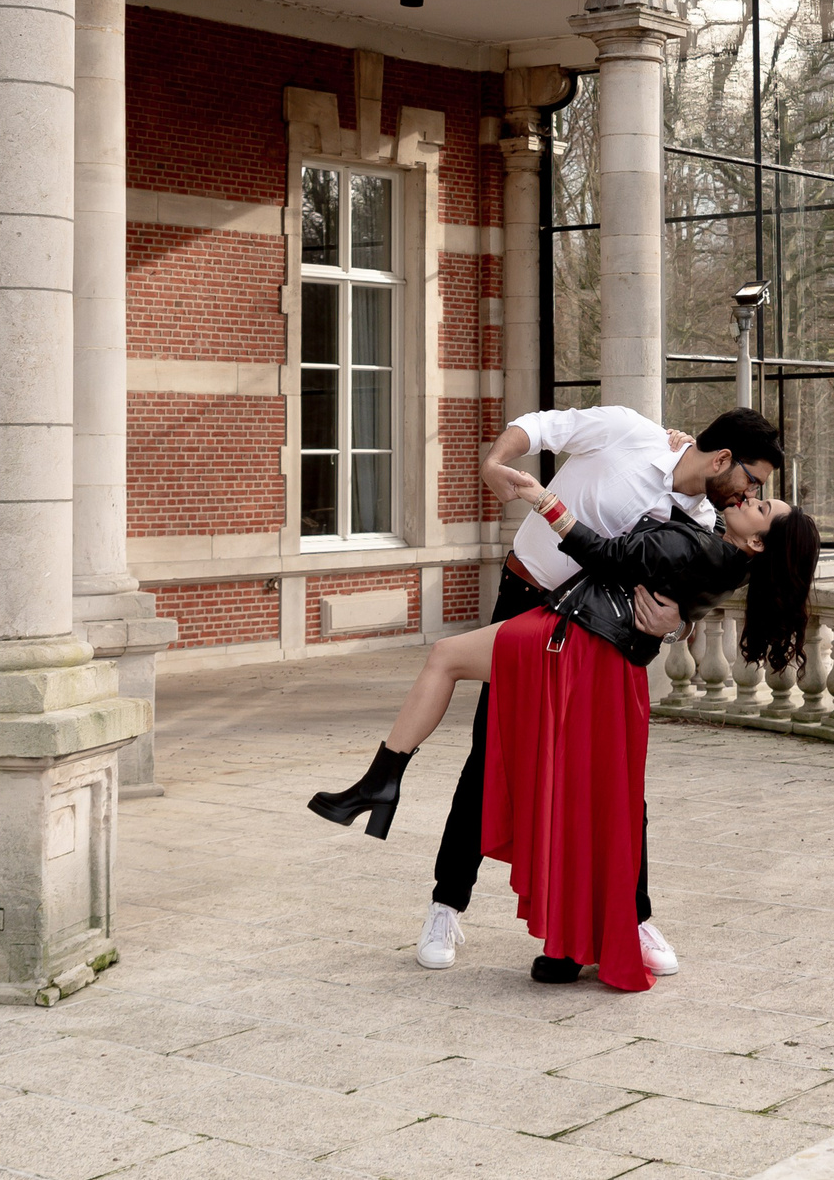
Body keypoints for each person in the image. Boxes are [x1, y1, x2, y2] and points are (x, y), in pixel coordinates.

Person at [310, 405, 783, 977]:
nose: (751, 493)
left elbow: (697, 590)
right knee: (490, 755)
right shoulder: (630, 433)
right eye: (753, 481)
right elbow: (541, 427)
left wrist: (676, 625)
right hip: (527, 601)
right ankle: (445, 905)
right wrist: (494, 463)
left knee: (609, 777)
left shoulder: (708, 518)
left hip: (595, 634)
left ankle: (629, 918)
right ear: (724, 458)